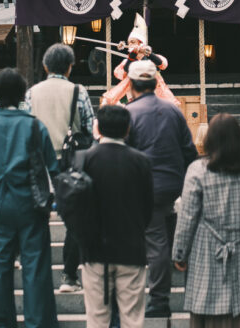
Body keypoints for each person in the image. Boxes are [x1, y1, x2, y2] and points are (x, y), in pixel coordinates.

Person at [0, 68, 59, 328]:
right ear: (22, 94)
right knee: (35, 267)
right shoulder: (34, 125)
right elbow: (52, 167)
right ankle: (39, 322)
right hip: (31, 202)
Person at [173, 113, 240, 328]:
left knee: (210, 303)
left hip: (208, 248)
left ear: (210, 139)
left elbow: (187, 216)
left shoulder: (198, 170)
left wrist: (180, 253)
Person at [126, 60, 198, 318]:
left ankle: (159, 300)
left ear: (131, 85)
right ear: (156, 82)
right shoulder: (173, 111)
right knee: (164, 235)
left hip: (145, 186)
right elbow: (189, 150)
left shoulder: (130, 113)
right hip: (173, 183)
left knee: (156, 242)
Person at [25, 43, 94, 292]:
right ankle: (69, 275)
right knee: (74, 219)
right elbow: (88, 127)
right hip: (71, 163)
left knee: (37, 218)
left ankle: (35, 271)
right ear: (70, 67)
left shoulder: (32, 93)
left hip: (38, 163)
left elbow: (26, 125)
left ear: (45, 66)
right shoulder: (78, 91)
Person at [80, 105, 154, 328]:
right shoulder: (141, 161)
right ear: (127, 129)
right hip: (131, 248)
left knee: (97, 317)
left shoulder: (84, 159)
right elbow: (148, 207)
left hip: (95, 250)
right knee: (132, 317)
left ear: (99, 128)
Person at [102, 14, 180, 107]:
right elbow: (122, 73)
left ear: (141, 43)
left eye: (133, 42)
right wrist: (132, 57)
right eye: (129, 43)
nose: (130, 45)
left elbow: (162, 64)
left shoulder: (152, 58)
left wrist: (148, 53)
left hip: (155, 98)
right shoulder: (127, 61)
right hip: (135, 99)